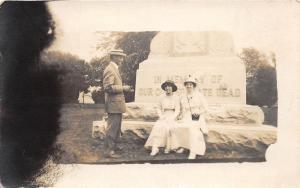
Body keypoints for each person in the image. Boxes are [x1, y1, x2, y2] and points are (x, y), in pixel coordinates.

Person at [102, 49, 133, 158]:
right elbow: (107, 88)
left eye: (122, 56)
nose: (122, 59)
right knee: (112, 128)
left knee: (116, 128)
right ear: (113, 57)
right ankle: (108, 151)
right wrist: (123, 88)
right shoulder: (110, 69)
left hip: (116, 104)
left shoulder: (114, 69)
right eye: (119, 57)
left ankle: (113, 147)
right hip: (113, 104)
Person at [170, 75, 209, 159]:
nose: (188, 86)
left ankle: (194, 151)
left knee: (192, 128)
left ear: (194, 86)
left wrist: (198, 112)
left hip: (197, 117)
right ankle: (183, 146)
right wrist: (179, 116)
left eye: (190, 84)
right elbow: (182, 110)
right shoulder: (183, 96)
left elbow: (206, 108)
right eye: (187, 84)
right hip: (186, 117)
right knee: (177, 126)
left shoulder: (199, 95)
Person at [145, 80, 180, 156]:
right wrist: (161, 116)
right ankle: (155, 148)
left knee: (170, 128)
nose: (168, 88)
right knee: (158, 127)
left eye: (169, 86)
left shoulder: (176, 98)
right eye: (166, 86)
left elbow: (177, 110)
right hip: (164, 115)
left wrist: (173, 118)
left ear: (172, 88)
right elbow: (158, 108)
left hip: (172, 116)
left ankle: (168, 147)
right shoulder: (161, 97)